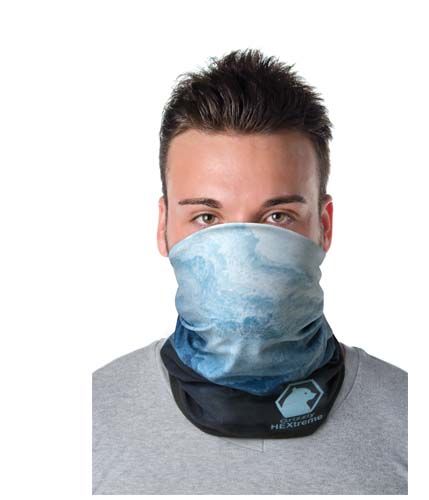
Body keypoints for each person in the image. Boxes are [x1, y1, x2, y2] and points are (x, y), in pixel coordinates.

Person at [92, 48, 408, 495]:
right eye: (206, 218)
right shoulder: (89, 418)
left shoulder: (412, 417)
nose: (243, 257)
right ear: (163, 227)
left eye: (277, 217)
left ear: (325, 225)